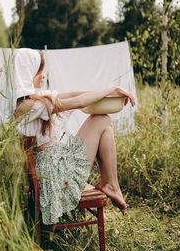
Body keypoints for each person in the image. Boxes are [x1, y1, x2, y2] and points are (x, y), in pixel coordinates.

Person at [14, 49, 136, 225]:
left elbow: (73, 94)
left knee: (103, 121)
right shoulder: (29, 106)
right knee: (102, 120)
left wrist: (107, 94)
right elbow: (78, 102)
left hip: (56, 167)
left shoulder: (33, 100)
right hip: (58, 178)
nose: (42, 76)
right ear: (27, 72)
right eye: (38, 70)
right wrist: (113, 88)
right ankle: (111, 184)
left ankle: (110, 183)